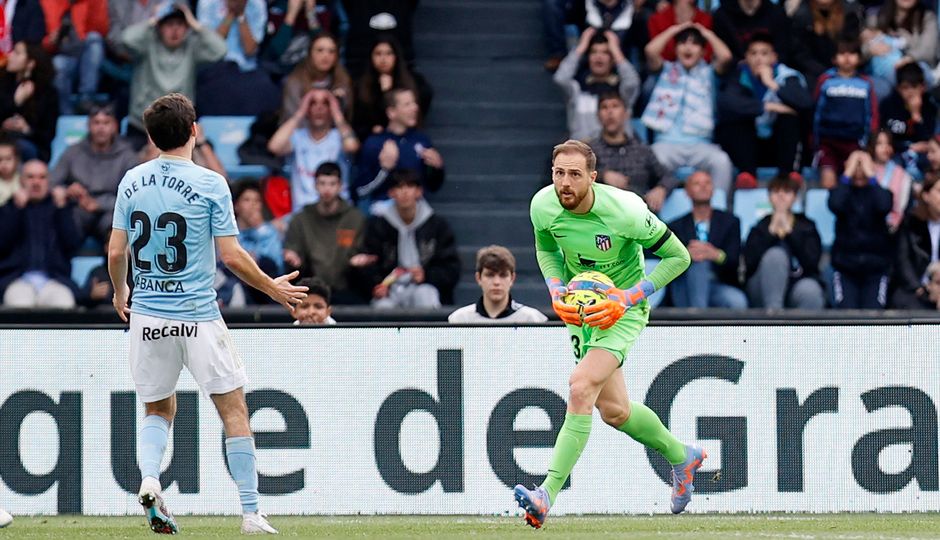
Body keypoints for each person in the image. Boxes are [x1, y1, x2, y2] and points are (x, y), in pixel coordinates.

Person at [107, 93, 306, 535]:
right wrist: (271, 286)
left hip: (148, 317)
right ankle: (252, 513)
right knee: (234, 410)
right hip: (197, 316)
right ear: (194, 131)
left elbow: (117, 250)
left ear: (152, 137)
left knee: (157, 410)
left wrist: (122, 292)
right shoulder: (211, 183)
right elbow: (232, 257)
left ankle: (151, 479)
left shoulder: (130, 181)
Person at [513, 140, 704, 529]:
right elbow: (546, 247)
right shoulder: (543, 205)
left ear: (593, 178)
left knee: (581, 386)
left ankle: (545, 495)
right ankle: (682, 456)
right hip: (578, 309)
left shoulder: (626, 212)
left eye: (575, 175)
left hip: (622, 309)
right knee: (614, 412)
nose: (565, 183)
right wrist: (554, 288)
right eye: (559, 173)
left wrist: (629, 297)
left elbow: (679, 257)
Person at [642, 23, 734, 196]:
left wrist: (705, 32)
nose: (688, 47)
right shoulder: (665, 70)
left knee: (722, 161)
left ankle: (717, 211)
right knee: (650, 158)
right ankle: (648, 213)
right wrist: (674, 29)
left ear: (703, 51)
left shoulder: (709, 73)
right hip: (666, 143)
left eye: (694, 43)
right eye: (683, 42)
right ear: (676, 48)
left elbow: (726, 56)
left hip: (701, 144)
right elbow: (650, 51)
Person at [121, 2, 227, 150]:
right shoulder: (146, 44)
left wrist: (195, 24)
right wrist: (153, 20)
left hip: (179, 126)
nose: (175, 30)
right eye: (169, 24)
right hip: (142, 125)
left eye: (180, 24)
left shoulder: (192, 48)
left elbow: (220, 50)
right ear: (160, 27)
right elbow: (126, 39)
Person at [350, 169, 459, 308]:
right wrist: (376, 286)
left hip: (424, 286)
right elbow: (368, 263)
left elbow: (451, 267)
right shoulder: (378, 225)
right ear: (391, 193)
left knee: (425, 296)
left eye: (410, 186)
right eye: (399, 187)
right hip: (390, 290)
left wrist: (426, 275)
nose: (405, 192)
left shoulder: (437, 226)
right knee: (382, 307)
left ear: (419, 191)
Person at [717, 32, 813, 189]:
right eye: (753, 53)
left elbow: (805, 103)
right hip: (750, 147)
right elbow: (726, 103)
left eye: (764, 53)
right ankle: (747, 174)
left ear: (774, 57)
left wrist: (771, 84)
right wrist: (766, 107)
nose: (759, 58)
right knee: (735, 120)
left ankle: (788, 175)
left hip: (779, 146)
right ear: (746, 57)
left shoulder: (787, 76)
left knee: (790, 118)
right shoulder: (738, 75)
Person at [51, 102, 140, 243]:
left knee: (118, 231)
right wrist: (67, 190)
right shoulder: (73, 151)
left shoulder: (127, 156)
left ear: (115, 126)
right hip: (78, 209)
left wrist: (99, 204)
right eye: (96, 123)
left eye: (106, 123)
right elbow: (51, 182)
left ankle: (114, 264)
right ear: (89, 126)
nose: (101, 128)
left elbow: (135, 196)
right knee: (62, 225)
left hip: (111, 210)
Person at [0, 159, 83, 308]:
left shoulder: (60, 208)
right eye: (30, 177)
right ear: (21, 181)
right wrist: (16, 209)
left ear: (49, 181)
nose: (36, 182)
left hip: (54, 280)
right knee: (19, 304)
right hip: (17, 280)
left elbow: (72, 245)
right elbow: (2, 245)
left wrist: (62, 209)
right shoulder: (9, 208)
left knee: (64, 303)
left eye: (42, 177)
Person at [283, 162, 366, 304]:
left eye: (332, 184)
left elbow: (363, 251)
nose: (327, 189)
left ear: (340, 186)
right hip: (309, 290)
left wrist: (362, 260)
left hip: (348, 289)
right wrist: (293, 257)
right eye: (322, 183)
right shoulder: (301, 219)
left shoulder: (355, 218)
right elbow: (292, 249)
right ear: (315, 185)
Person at [267, 87, 359, 211]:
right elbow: (274, 147)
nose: (319, 108)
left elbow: (352, 146)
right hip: (303, 213)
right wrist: (300, 112)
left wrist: (336, 112)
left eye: (325, 103)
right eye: (312, 103)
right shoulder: (297, 137)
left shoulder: (339, 136)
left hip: (337, 211)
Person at [668, 170, 748, 308]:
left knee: (737, 302)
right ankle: (699, 324)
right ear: (687, 192)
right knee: (699, 264)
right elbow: (663, 261)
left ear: (713, 189)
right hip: (686, 287)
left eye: (707, 183)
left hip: (717, 284)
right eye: (697, 183)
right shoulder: (676, 226)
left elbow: (734, 261)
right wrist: (685, 256)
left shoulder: (730, 222)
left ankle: (698, 320)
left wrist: (715, 255)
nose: (703, 186)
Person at [354, 88, 444, 210]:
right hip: (384, 209)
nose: (415, 108)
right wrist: (384, 169)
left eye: (414, 103)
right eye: (407, 104)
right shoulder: (375, 143)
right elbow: (361, 190)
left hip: (415, 208)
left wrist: (437, 168)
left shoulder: (421, 140)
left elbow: (433, 186)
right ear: (392, 112)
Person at [743, 176, 825, 309]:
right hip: (762, 288)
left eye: (786, 192)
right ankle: (775, 320)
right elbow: (749, 263)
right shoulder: (760, 226)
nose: (781, 196)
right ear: (769, 197)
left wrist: (790, 232)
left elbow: (812, 263)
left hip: (796, 284)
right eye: (776, 192)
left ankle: (807, 330)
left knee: (811, 292)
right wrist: (770, 234)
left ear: (795, 198)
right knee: (776, 255)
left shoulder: (807, 226)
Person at [589, 92, 676, 212]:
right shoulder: (590, 150)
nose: (610, 112)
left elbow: (668, 177)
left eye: (615, 106)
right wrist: (603, 175)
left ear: (626, 114)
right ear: (598, 116)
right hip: (603, 216)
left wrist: (661, 189)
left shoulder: (642, 149)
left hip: (640, 216)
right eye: (604, 107)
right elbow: (577, 177)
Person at [828, 150, 893, 309]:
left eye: (863, 165)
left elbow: (884, 205)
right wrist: (847, 174)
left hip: (876, 269)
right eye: (855, 165)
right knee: (847, 318)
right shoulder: (841, 192)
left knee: (874, 318)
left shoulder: (881, 193)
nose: (859, 168)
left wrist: (872, 175)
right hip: (845, 269)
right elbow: (835, 204)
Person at [553, 27, 640, 142]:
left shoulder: (622, 92)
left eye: (605, 53)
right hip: (584, 152)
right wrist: (581, 47)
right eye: (594, 52)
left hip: (618, 154)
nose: (598, 57)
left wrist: (616, 50)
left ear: (612, 59)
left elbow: (632, 82)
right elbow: (561, 78)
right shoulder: (577, 90)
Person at [813, 38, 879, 189]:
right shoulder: (825, 81)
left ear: (859, 58)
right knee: (828, 181)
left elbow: (872, 114)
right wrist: (814, 141)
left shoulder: (866, 83)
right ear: (834, 58)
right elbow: (816, 112)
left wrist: (870, 141)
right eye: (842, 53)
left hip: (855, 143)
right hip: (828, 142)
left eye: (852, 53)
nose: (847, 57)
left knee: (855, 182)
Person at [216, 180, 284, 306]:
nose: (253, 205)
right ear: (236, 206)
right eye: (247, 200)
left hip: (264, 287)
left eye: (257, 201)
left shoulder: (269, 232)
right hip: (234, 283)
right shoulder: (225, 231)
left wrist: (258, 231)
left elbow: (276, 263)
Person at [352, 34, 432, 142]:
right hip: (374, 139)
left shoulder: (413, 80)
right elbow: (360, 120)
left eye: (389, 53)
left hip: (407, 137)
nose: (383, 59)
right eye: (378, 54)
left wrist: (390, 92)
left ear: (396, 56)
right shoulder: (361, 84)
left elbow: (424, 99)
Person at [448, 245, 548, 323]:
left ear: (512, 278)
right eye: (490, 275)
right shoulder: (460, 319)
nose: (497, 282)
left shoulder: (532, 319)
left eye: (503, 275)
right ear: (478, 278)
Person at [42, 0, 109, 114]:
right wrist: (52, 40)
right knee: (58, 64)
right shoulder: (47, 3)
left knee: (94, 40)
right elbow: (40, 43)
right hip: (62, 55)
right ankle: (65, 114)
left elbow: (102, 30)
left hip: (87, 55)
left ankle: (86, 99)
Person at [0, 41, 59, 162]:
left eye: (17, 53)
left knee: (20, 147)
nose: (10, 56)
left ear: (30, 63)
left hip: (33, 147)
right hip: (2, 139)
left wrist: (26, 129)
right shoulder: (2, 84)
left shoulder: (47, 93)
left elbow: (48, 134)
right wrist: (15, 102)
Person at [890, 173, 940, 309]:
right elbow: (902, 260)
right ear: (926, 195)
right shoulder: (911, 223)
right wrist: (919, 288)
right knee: (902, 300)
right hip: (917, 288)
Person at [879, 62, 937, 180]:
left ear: (923, 87)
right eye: (905, 88)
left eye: (914, 87)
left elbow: (928, 141)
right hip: (894, 153)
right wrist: (908, 148)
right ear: (898, 88)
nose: (910, 92)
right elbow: (882, 136)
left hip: (922, 157)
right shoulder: (887, 105)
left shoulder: (930, 107)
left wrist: (916, 115)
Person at [280, 31, 352, 121]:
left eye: (331, 51)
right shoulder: (295, 82)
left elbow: (346, 118)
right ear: (310, 54)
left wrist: (339, 101)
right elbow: (292, 118)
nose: (326, 56)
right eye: (320, 50)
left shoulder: (342, 80)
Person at [869, 129, 912, 232]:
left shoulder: (902, 175)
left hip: (890, 228)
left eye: (888, 143)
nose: (885, 147)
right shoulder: (864, 169)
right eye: (879, 143)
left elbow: (899, 209)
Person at [0, 139, 21, 207]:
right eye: (0, 160)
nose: (4, 163)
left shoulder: (22, 180)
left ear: (17, 160)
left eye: (8, 159)